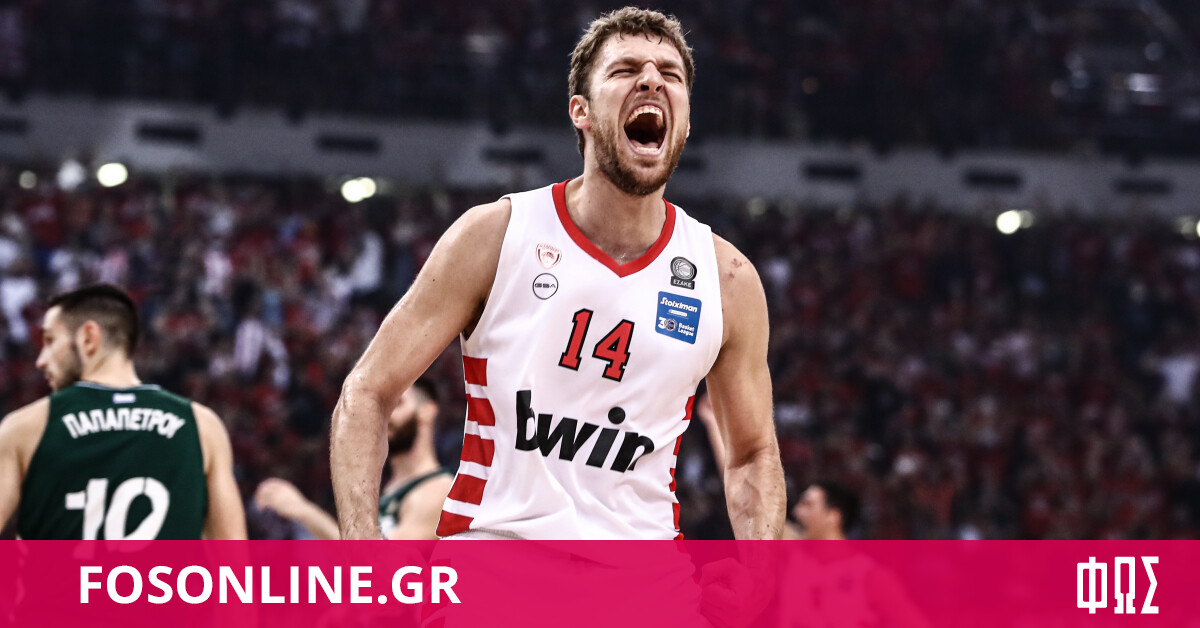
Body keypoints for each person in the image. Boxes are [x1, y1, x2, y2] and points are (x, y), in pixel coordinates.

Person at [330, 6, 784, 540]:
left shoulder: (727, 279)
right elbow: (367, 391)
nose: (652, 81)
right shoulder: (496, 235)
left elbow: (753, 454)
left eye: (671, 74)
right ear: (580, 111)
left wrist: (760, 573)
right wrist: (363, 550)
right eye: (625, 70)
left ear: (685, 120)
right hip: (498, 563)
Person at [0, 284, 246, 539]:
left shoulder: (28, 427)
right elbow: (233, 557)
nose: (41, 360)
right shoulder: (202, 426)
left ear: (88, 338)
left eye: (50, 341)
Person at [256, 379, 451, 539]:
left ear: (427, 411)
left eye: (398, 404)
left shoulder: (439, 489)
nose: (386, 416)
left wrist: (304, 511)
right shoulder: (391, 489)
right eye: (383, 408)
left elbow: (380, 565)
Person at [776, 482, 931, 628]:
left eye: (807, 505)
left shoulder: (869, 576)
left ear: (833, 516)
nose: (797, 512)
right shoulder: (792, 564)